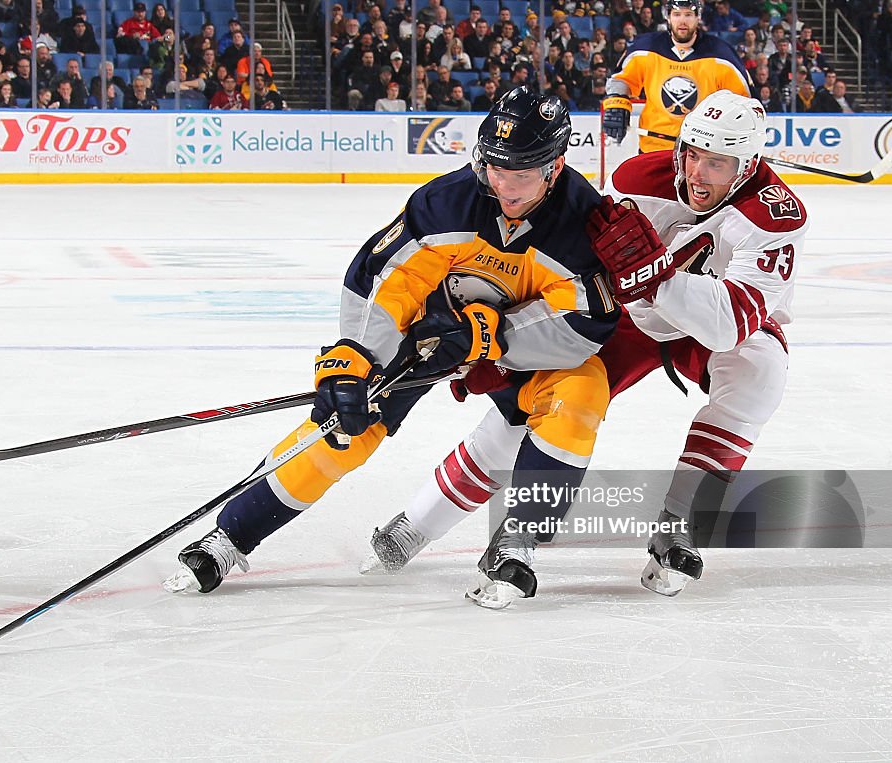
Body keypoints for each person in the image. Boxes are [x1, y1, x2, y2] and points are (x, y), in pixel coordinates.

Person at [166, 88, 638, 610]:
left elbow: (582, 323)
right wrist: (353, 358)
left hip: (519, 350)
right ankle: (232, 535)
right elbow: (387, 280)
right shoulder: (446, 201)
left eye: (519, 174)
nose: (502, 186)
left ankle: (516, 542)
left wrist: (490, 336)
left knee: (583, 391)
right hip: (423, 336)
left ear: (555, 166)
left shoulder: (583, 221)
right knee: (346, 425)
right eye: (493, 169)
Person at [363, 90, 808, 603]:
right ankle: (420, 522)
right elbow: (569, 264)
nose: (698, 173)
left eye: (717, 162)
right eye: (691, 153)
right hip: (629, 320)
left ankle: (679, 521)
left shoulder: (776, 218)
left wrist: (655, 278)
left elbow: (729, 324)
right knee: (535, 406)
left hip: (705, 326)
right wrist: (501, 342)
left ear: (747, 164)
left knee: (760, 371)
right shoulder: (637, 178)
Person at [603, 0, 751, 153]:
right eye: (677, 14)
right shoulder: (645, 48)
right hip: (653, 147)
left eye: (688, 15)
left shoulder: (722, 54)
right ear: (668, 17)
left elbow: (744, 100)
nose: (682, 21)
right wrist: (617, 104)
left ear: (698, 17)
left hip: (700, 150)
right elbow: (621, 79)